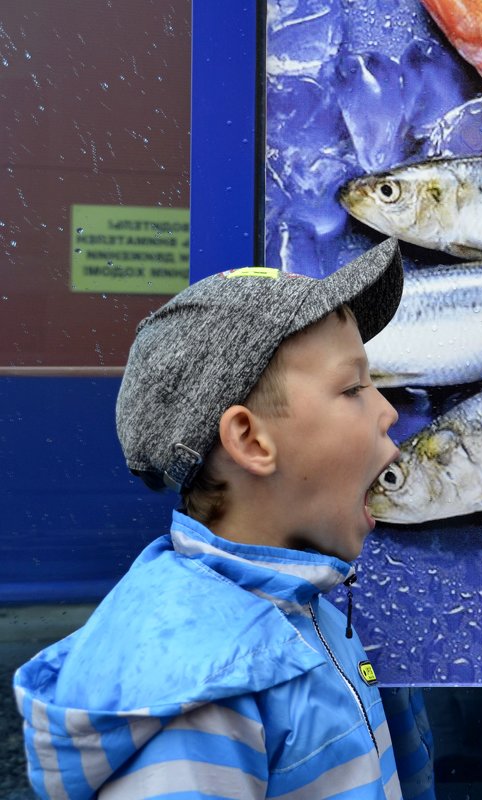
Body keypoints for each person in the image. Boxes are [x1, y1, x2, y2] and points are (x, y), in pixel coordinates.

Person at [12, 239, 435, 799]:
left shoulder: (310, 615)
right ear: (250, 440)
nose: (387, 411)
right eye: (353, 387)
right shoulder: (205, 695)